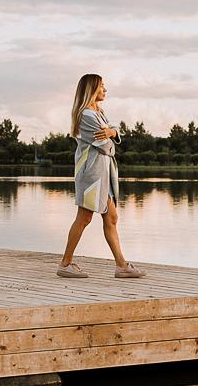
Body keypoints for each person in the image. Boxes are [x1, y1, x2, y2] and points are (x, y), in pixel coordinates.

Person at [57, 73, 144, 279]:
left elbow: (113, 133)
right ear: (92, 89)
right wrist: (111, 136)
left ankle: (121, 266)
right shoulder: (86, 115)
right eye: (102, 86)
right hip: (91, 175)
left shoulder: (99, 112)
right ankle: (65, 264)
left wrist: (112, 132)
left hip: (102, 175)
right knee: (84, 218)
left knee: (111, 217)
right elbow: (106, 147)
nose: (105, 90)